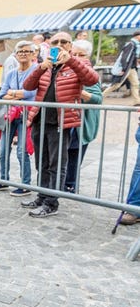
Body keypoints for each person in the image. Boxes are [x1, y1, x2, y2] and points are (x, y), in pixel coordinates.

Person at [21, 31, 99, 218]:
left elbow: (92, 79)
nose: (60, 44)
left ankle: (51, 203)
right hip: (40, 120)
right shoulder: (46, 65)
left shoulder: (78, 63)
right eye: (56, 41)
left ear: (70, 45)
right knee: (42, 162)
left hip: (60, 122)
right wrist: (41, 67)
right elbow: (28, 86)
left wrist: (71, 61)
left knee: (57, 164)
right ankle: (41, 196)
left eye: (64, 41)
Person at [0, 41, 37, 196]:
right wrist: (19, 93)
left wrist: (13, 93)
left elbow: (32, 93)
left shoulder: (36, 71)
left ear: (33, 54)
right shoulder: (11, 73)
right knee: (3, 150)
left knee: (22, 151)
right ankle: (3, 180)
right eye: (20, 51)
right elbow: (2, 94)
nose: (23, 54)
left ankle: (25, 184)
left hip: (26, 116)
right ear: (15, 54)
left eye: (27, 51)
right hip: (10, 116)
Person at [65, 39, 102, 193]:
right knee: (64, 154)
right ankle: (62, 183)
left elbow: (97, 99)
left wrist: (78, 93)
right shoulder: (66, 71)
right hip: (68, 120)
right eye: (75, 54)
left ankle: (70, 184)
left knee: (74, 155)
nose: (78, 57)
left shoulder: (90, 74)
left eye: (82, 54)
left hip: (82, 123)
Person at [103, 30, 140, 106]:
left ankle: (136, 101)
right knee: (116, 84)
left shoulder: (136, 45)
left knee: (135, 84)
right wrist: (123, 68)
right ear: (137, 36)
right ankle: (100, 97)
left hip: (132, 68)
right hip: (126, 68)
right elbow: (125, 57)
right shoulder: (131, 44)